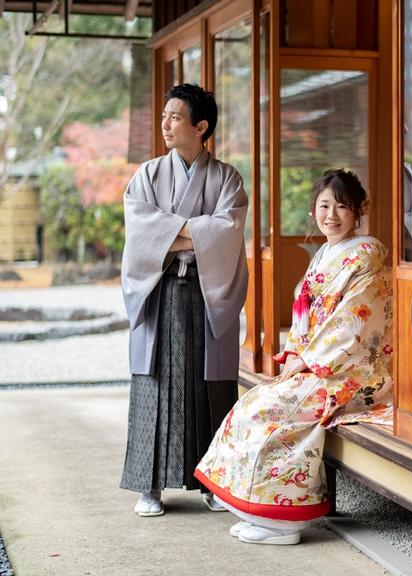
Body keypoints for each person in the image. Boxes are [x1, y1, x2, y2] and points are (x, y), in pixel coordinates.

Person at [194, 168, 392, 545]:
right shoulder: (325, 253)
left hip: (350, 371)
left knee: (272, 413)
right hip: (319, 362)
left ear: (358, 211)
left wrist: (311, 359)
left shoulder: (365, 257)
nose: (331, 215)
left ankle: (283, 522)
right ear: (313, 210)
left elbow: (354, 325)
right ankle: (260, 513)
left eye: (342, 207)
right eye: (324, 205)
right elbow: (305, 314)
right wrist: (297, 353)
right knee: (253, 403)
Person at [119, 83, 248, 517]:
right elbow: (140, 233)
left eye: (175, 117)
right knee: (155, 384)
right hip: (159, 294)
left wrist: (169, 232)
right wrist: (198, 229)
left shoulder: (227, 177)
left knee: (210, 387)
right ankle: (148, 486)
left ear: (201, 126)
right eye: (164, 116)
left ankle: (214, 484)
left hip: (207, 293)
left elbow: (228, 231)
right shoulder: (147, 175)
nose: (165, 124)